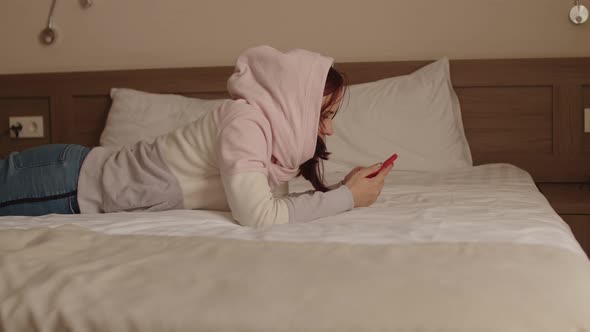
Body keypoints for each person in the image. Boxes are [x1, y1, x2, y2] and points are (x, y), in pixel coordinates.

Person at [0, 45, 392, 227]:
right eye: (322, 116)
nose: (328, 129)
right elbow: (259, 216)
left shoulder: (269, 142)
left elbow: (273, 204)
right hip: (69, 185)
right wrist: (345, 199)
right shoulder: (246, 124)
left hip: (72, 179)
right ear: (294, 106)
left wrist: (344, 190)